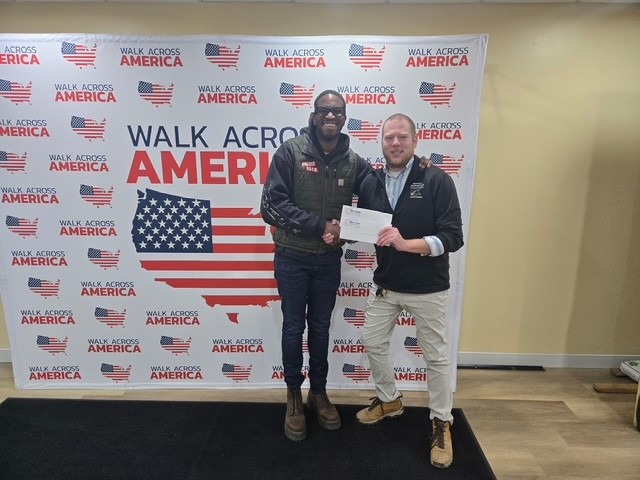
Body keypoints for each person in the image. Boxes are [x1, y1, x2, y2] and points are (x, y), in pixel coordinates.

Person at [260, 90, 372, 441]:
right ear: (314, 114)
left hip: (327, 262)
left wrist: (344, 234)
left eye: (337, 112)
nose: (330, 116)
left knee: (321, 328)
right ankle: (294, 395)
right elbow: (271, 206)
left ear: (344, 117)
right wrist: (321, 225)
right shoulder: (290, 151)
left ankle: (318, 392)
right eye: (324, 110)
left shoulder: (354, 162)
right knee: (294, 327)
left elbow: (376, 203)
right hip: (292, 257)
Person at [354, 113, 464, 469]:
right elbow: (360, 225)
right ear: (381, 142)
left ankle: (441, 422)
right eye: (389, 137)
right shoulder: (369, 182)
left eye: (402, 137)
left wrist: (407, 244)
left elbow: (453, 237)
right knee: (372, 340)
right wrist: (337, 229)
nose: (396, 143)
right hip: (387, 285)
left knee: (435, 357)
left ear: (415, 141)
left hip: (428, 287)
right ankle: (389, 400)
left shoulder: (437, 179)